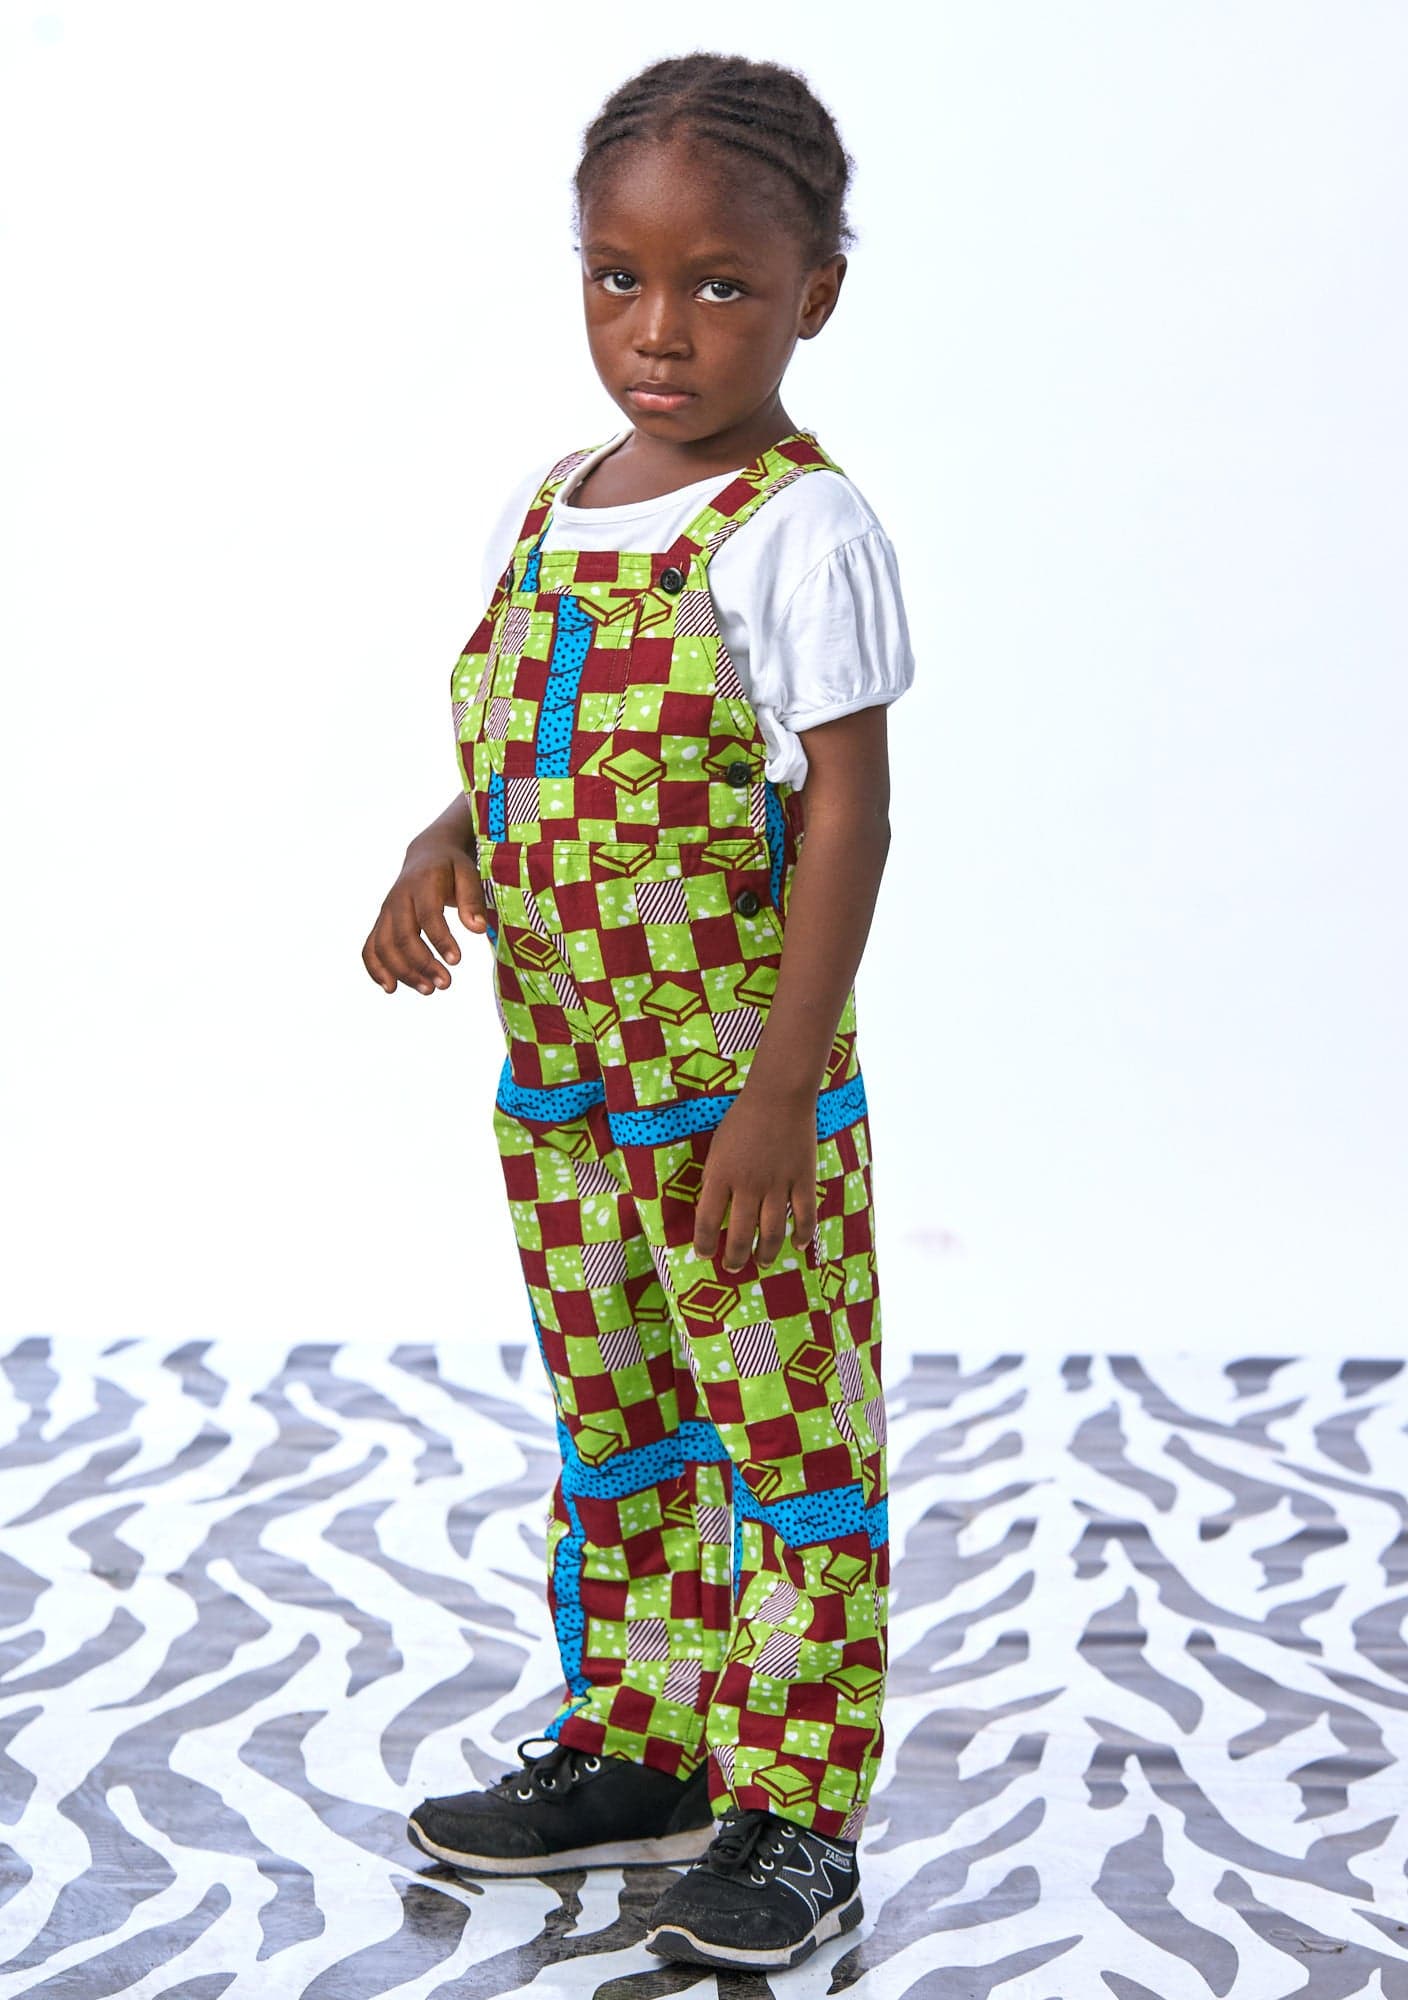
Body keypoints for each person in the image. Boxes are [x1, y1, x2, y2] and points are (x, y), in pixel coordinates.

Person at [361, 49, 915, 1977]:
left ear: (814, 293)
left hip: (732, 1110)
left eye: (720, 286)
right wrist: (445, 838)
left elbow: (848, 812)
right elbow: (530, 751)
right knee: (623, 1432)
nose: (660, 331)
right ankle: (643, 1745)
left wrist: (780, 1094)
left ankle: (795, 1811)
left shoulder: (799, 530)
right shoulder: (552, 504)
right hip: (566, 1104)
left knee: (788, 1447)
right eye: (620, 277)